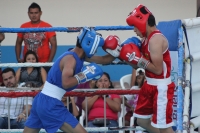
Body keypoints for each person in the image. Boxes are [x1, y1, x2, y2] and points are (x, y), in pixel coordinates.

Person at [103, 4, 175, 133]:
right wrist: (125, 57)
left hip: (161, 87)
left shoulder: (156, 39)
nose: (134, 30)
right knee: (141, 120)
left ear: (142, 21)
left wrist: (138, 59)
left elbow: (158, 70)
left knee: (164, 127)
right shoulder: (145, 40)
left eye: (135, 26)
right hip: (149, 85)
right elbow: (138, 65)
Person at [23, 27, 104, 133]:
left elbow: (103, 60)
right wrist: (84, 75)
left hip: (41, 100)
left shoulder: (78, 55)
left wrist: (117, 51)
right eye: (96, 46)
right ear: (88, 44)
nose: (96, 50)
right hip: (51, 104)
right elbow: (66, 83)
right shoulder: (71, 59)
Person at [15, 2, 57, 73]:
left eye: (36, 13)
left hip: (44, 63)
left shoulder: (48, 27)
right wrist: (18, 59)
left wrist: (49, 62)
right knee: (27, 83)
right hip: (28, 63)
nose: (34, 15)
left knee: (44, 83)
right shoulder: (23, 27)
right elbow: (18, 43)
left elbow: (54, 45)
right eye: (31, 13)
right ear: (28, 13)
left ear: (40, 13)